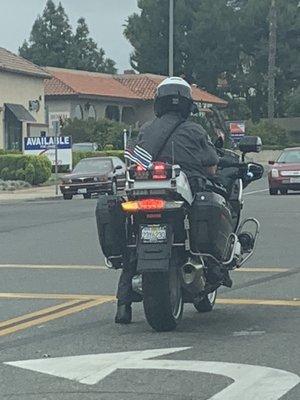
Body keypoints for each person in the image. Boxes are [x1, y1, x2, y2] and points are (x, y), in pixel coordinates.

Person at [115, 77, 220, 324]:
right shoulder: (195, 130)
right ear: (186, 105)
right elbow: (212, 167)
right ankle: (211, 264)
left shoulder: (146, 130)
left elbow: (134, 160)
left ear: (158, 103)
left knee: (133, 245)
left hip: (144, 193)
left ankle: (123, 305)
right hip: (181, 194)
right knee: (204, 209)